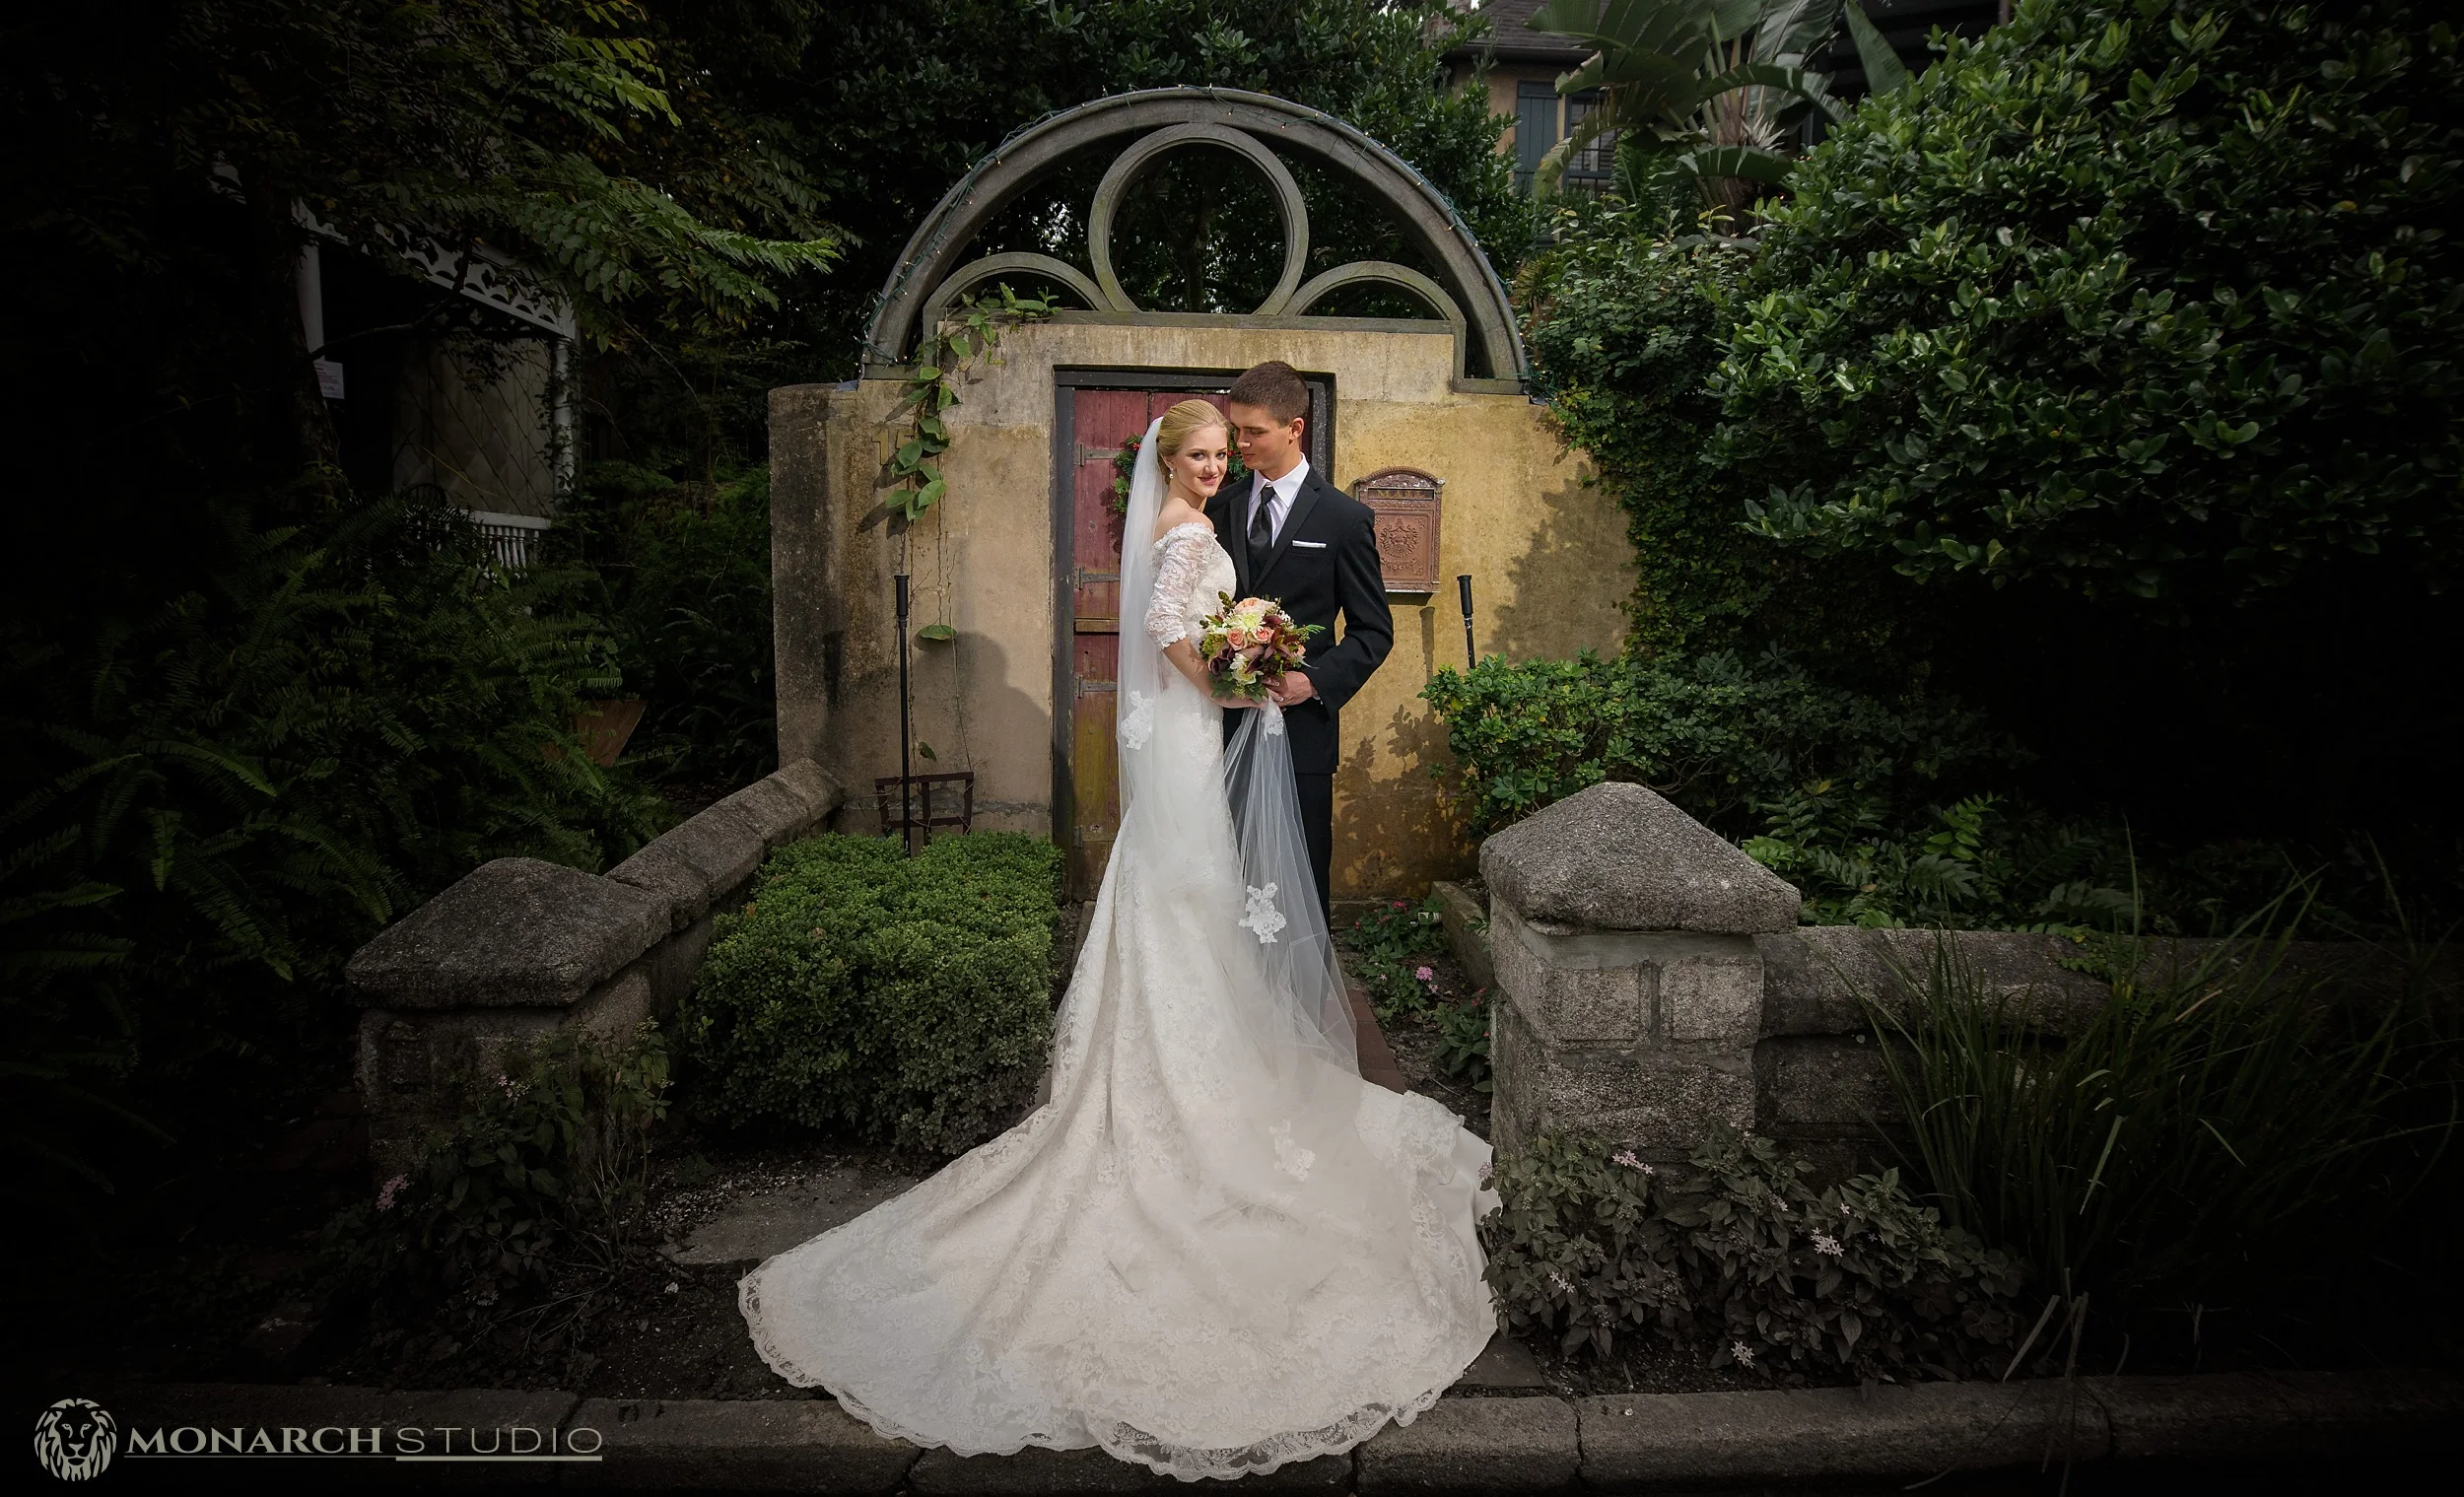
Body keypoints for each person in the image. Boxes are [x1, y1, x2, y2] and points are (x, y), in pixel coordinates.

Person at [736, 401, 1496, 1481]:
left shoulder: (1241, 519)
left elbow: (1305, 628)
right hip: (1198, 735)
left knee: (1202, 906)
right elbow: (1175, 639)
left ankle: (1202, 1063)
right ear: (1168, 460)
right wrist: (1234, 679)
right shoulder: (1188, 533)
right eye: (1202, 453)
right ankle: (1186, 1089)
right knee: (1190, 898)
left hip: (1217, 739)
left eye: (1227, 450)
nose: (1218, 464)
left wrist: (1273, 673)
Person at [1204, 361, 1394, 920]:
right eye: (1236, 430)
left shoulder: (1344, 519)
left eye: (1253, 431)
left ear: (1294, 429)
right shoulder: (1218, 507)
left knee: (1302, 877)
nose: (1240, 443)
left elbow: (1373, 631)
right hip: (1218, 724)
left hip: (1302, 730)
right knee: (1224, 869)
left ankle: (1302, 978)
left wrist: (1311, 682)